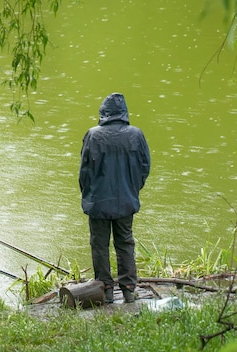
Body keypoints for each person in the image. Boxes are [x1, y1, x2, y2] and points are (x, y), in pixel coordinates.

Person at [79, 92, 151, 303]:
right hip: (126, 200)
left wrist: (88, 196)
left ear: (103, 113)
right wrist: (133, 189)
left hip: (98, 201)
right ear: (124, 112)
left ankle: (105, 290)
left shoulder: (93, 135)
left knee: (99, 245)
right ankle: (128, 289)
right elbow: (145, 167)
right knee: (125, 243)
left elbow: (84, 172)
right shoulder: (136, 134)